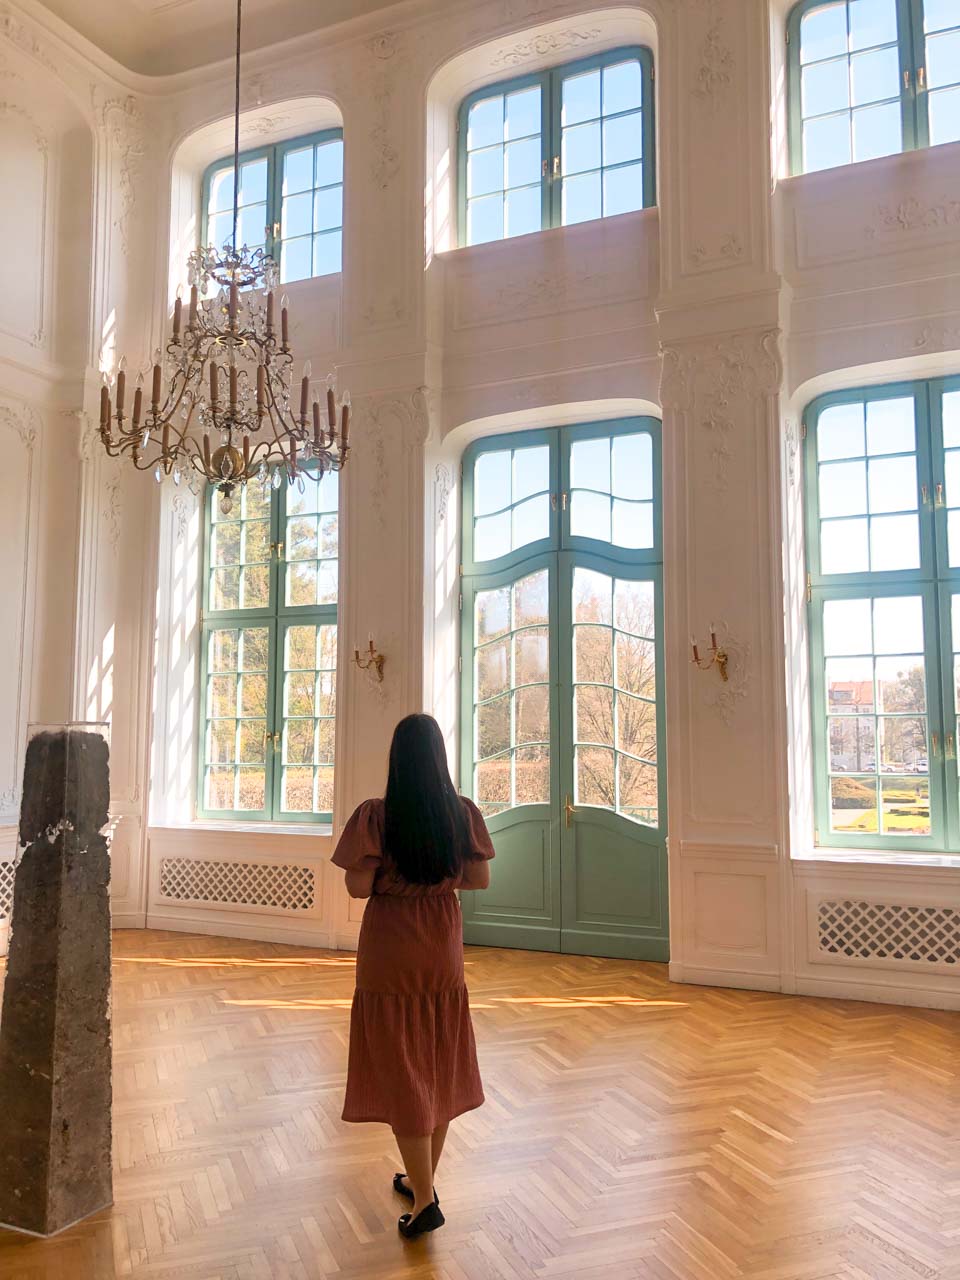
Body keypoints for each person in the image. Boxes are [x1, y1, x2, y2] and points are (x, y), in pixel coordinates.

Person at [331, 713, 495, 1239]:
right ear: (440, 758)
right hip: (440, 942)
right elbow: (479, 878)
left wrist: (392, 878)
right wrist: (436, 879)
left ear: (396, 761)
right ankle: (423, 1181)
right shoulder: (459, 813)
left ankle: (425, 1199)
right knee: (436, 1055)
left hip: (391, 943)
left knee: (402, 1064)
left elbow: (358, 888)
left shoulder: (377, 817)